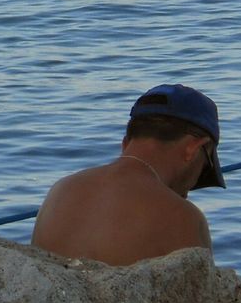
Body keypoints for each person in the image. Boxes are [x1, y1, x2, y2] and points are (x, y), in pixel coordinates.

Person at [30, 84, 225, 267]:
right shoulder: (183, 217)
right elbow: (201, 300)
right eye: (206, 166)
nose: (191, 187)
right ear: (193, 148)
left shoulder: (59, 192)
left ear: (125, 143)